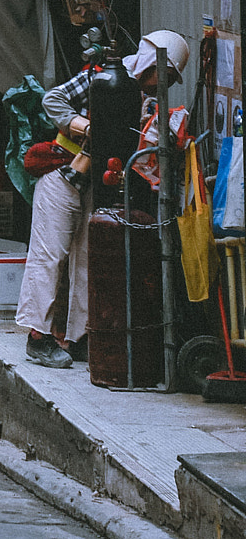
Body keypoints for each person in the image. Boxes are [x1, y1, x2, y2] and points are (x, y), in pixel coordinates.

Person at [16, 30, 189, 368]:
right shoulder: (99, 79)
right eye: (163, 75)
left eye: (169, 80)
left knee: (86, 261)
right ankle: (38, 338)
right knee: (49, 258)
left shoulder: (149, 103)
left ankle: (79, 337)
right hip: (63, 178)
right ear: (150, 61)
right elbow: (53, 100)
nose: (163, 85)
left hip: (98, 185)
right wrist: (85, 127)